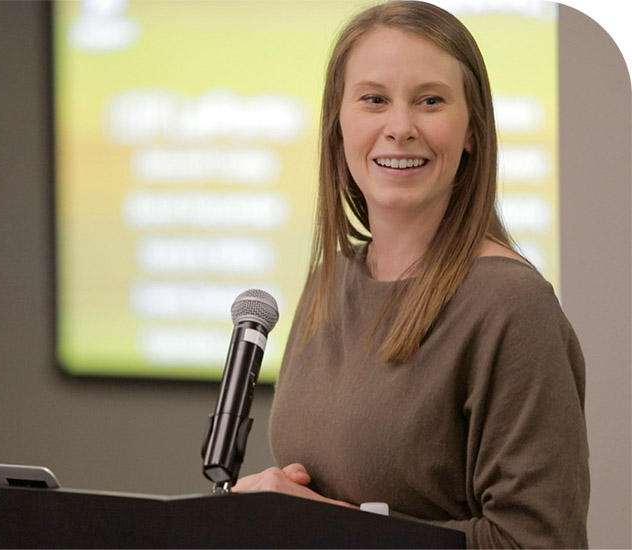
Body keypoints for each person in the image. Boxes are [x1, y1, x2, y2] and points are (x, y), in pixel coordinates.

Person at [232, 1, 590, 548]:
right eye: (374, 99)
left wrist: (329, 528)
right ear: (339, 124)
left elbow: (536, 542)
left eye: (430, 101)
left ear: (472, 130)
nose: (400, 128)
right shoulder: (330, 281)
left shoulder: (511, 306)